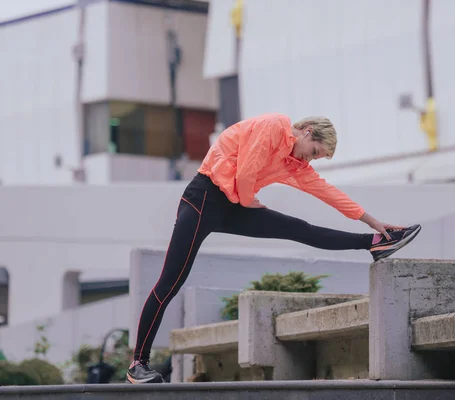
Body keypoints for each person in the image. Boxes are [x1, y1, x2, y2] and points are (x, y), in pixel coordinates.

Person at [126, 113, 421, 384]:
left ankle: (374, 244)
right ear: (307, 133)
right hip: (203, 198)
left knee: (297, 228)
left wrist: (373, 222)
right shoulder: (273, 126)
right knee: (170, 283)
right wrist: (247, 199)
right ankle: (138, 364)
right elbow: (246, 170)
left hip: (235, 203)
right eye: (315, 152)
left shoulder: (295, 165)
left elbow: (328, 193)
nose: (312, 160)